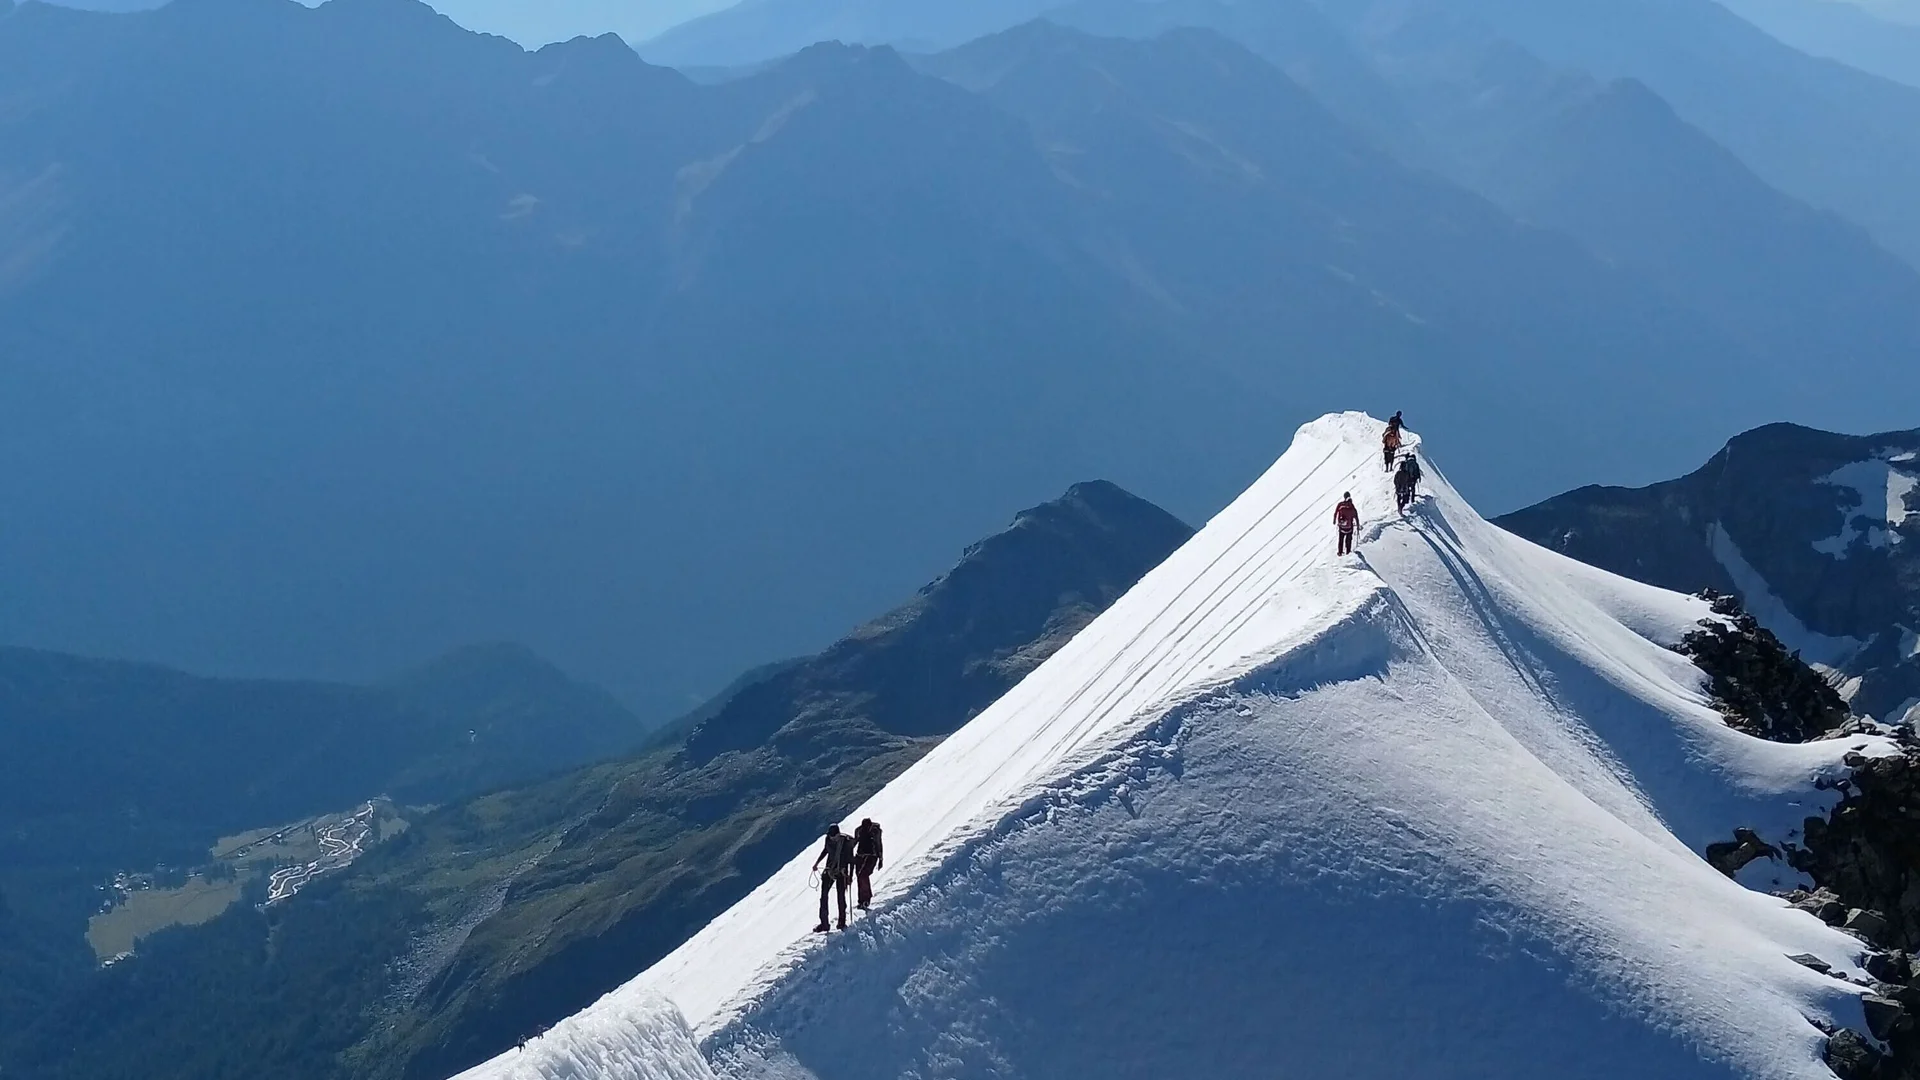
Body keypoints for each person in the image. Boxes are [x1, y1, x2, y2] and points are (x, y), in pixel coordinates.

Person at [812, 824, 857, 931]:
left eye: (833, 836)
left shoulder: (846, 842)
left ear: (838, 834)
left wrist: (850, 876)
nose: (832, 838)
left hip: (842, 872)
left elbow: (851, 861)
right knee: (824, 895)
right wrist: (817, 863)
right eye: (831, 836)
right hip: (830, 869)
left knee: (840, 896)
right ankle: (824, 924)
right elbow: (825, 850)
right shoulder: (828, 839)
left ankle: (841, 922)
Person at [853, 818, 884, 909]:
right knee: (860, 876)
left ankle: (866, 898)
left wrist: (880, 858)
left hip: (871, 856)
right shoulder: (860, 830)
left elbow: (878, 844)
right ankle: (862, 900)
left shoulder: (875, 831)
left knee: (863, 875)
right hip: (861, 856)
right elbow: (856, 841)